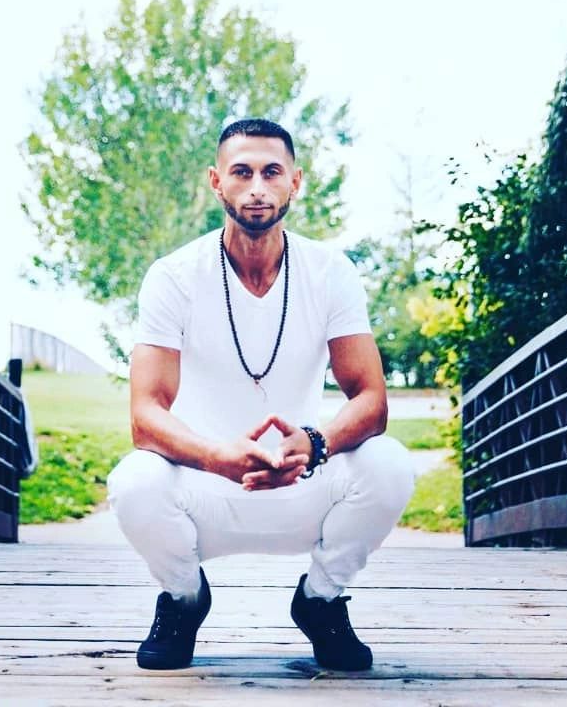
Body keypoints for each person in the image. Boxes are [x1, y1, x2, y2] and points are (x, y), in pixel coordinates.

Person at [107, 117, 415, 672]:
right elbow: (145, 415)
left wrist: (314, 443)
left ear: (295, 182)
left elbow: (371, 400)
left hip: (303, 480)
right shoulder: (173, 276)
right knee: (133, 481)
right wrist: (216, 456)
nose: (256, 187)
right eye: (241, 172)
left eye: (272, 172)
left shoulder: (330, 272)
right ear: (215, 182)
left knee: (389, 465)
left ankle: (321, 602)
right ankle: (182, 601)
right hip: (205, 489)